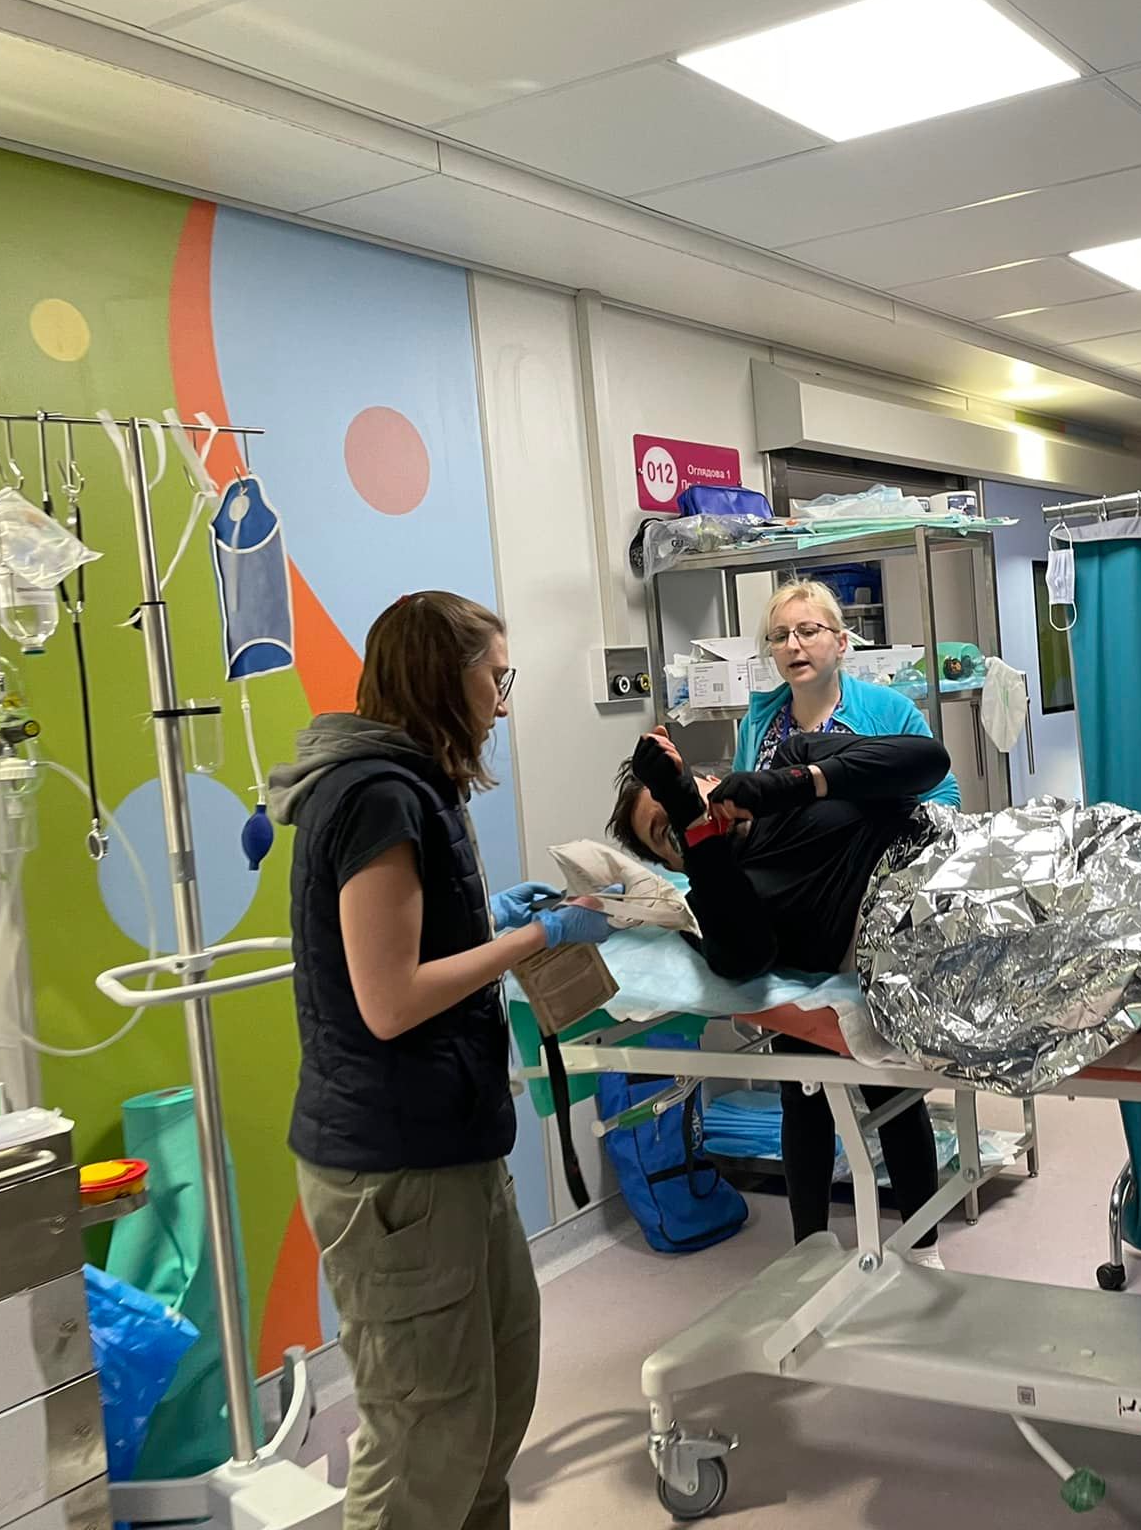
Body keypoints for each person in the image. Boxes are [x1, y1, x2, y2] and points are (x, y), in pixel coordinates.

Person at [271, 591, 613, 1530]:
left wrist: (488, 917)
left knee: (490, 1413)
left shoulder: (417, 785)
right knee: (426, 1438)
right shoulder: (376, 795)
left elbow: (408, 940)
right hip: (394, 1166)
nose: (502, 700)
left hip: (452, 1143)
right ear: (441, 677)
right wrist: (537, 936)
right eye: (495, 677)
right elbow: (389, 1002)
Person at [608, 723, 954, 1269]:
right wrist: (692, 822)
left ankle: (918, 1249)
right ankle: (814, 1258)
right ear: (671, 865)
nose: (676, 820)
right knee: (811, 1074)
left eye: (685, 792)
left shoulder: (793, 759)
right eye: (662, 830)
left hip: (952, 862)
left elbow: (928, 760)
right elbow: (744, 956)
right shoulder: (713, 900)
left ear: (712, 779)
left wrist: (799, 782)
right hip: (906, 950)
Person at [736, 577, 960, 806]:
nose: (792, 646)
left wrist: (902, 829)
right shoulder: (757, 724)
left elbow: (942, 792)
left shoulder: (888, 710)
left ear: (841, 644)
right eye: (780, 637)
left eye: (808, 632)